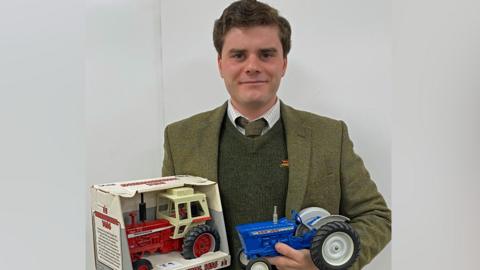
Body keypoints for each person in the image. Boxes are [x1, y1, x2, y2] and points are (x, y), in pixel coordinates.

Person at [162, 0, 391, 269]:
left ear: (283, 64)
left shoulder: (330, 136)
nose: (252, 66)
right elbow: (167, 229)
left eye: (266, 54)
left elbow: (376, 216)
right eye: (238, 55)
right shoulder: (180, 139)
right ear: (220, 64)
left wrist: (325, 262)